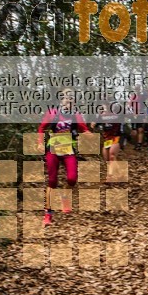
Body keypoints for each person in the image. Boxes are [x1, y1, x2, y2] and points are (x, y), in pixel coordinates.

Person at [37, 88, 89, 225]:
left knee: (72, 178)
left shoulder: (76, 114)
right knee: (52, 181)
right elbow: (41, 128)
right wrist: (39, 143)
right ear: (62, 99)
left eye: (71, 98)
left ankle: (65, 197)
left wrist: (90, 134)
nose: (69, 100)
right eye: (66, 97)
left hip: (68, 150)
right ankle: (48, 214)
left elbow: (84, 128)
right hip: (53, 149)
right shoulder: (53, 112)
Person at [92, 103, 123, 182]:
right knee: (108, 159)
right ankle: (120, 174)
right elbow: (94, 124)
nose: (103, 111)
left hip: (117, 138)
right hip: (107, 140)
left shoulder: (116, 115)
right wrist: (94, 123)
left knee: (112, 155)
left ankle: (109, 176)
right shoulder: (101, 117)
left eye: (105, 109)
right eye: (102, 110)